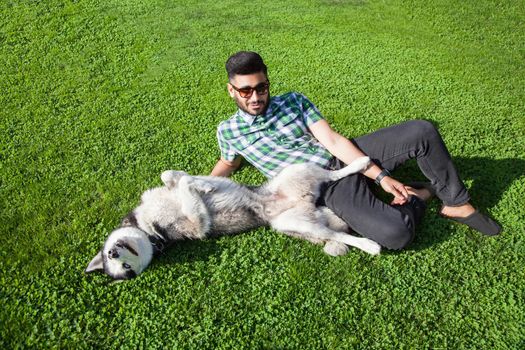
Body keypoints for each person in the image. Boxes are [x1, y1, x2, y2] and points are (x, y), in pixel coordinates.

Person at [210, 51, 501, 251]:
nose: (256, 96)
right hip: (323, 186)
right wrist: (205, 187)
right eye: (246, 90)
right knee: (394, 234)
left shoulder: (293, 102)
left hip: (341, 157)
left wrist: (380, 177)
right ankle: (421, 193)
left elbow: (333, 141)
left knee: (422, 131)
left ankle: (456, 202)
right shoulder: (229, 131)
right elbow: (228, 163)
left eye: (262, 87)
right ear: (231, 90)